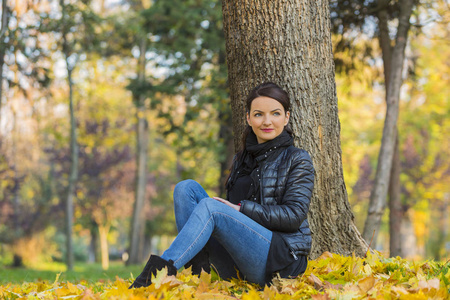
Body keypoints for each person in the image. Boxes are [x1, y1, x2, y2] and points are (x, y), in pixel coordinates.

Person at [129, 82, 315, 288]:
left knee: (212, 207)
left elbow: (294, 215)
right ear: (248, 118)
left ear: (286, 117)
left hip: (278, 261)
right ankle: (201, 271)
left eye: (276, 113)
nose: (267, 121)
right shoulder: (241, 159)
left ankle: (153, 278)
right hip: (238, 259)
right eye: (259, 114)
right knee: (185, 188)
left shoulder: (297, 159)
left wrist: (241, 209)